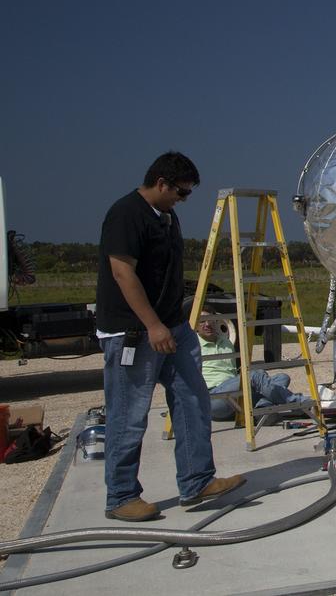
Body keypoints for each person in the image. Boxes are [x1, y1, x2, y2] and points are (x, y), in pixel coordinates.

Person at [95, 152, 244, 521]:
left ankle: (197, 480)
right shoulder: (126, 214)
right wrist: (153, 326)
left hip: (174, 327)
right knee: (128, 415)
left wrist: (174, 321)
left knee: (194, 400)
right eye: (181, 192)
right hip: (135, 332)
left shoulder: (167, 216)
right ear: (160, 183)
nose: (183, 199)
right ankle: (121, 497)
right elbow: (122, 274)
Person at [196, 315, 305, 421]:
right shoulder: (193, 345)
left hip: (236, 395)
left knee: (282, 377)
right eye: (202, 321)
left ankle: (263, 408)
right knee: (256, 375)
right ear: (196, 325)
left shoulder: (226, 343)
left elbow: (233, 371)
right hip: (214, 398)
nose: (207, 324)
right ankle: (299, 403)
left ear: (216, 322)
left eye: (211, 320)